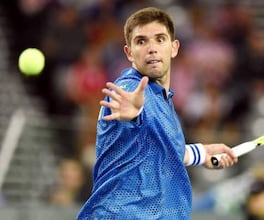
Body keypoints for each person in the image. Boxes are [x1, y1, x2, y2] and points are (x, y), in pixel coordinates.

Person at [77, 7, 238, 219]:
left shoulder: (163, 100)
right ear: (129, 52)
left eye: (160, 39)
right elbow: (135, 112)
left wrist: (200, 153)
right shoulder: (128, 90)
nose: (151, 49)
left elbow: (158, 149)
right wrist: (135, 112)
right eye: (141, 41)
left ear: (174, 47)